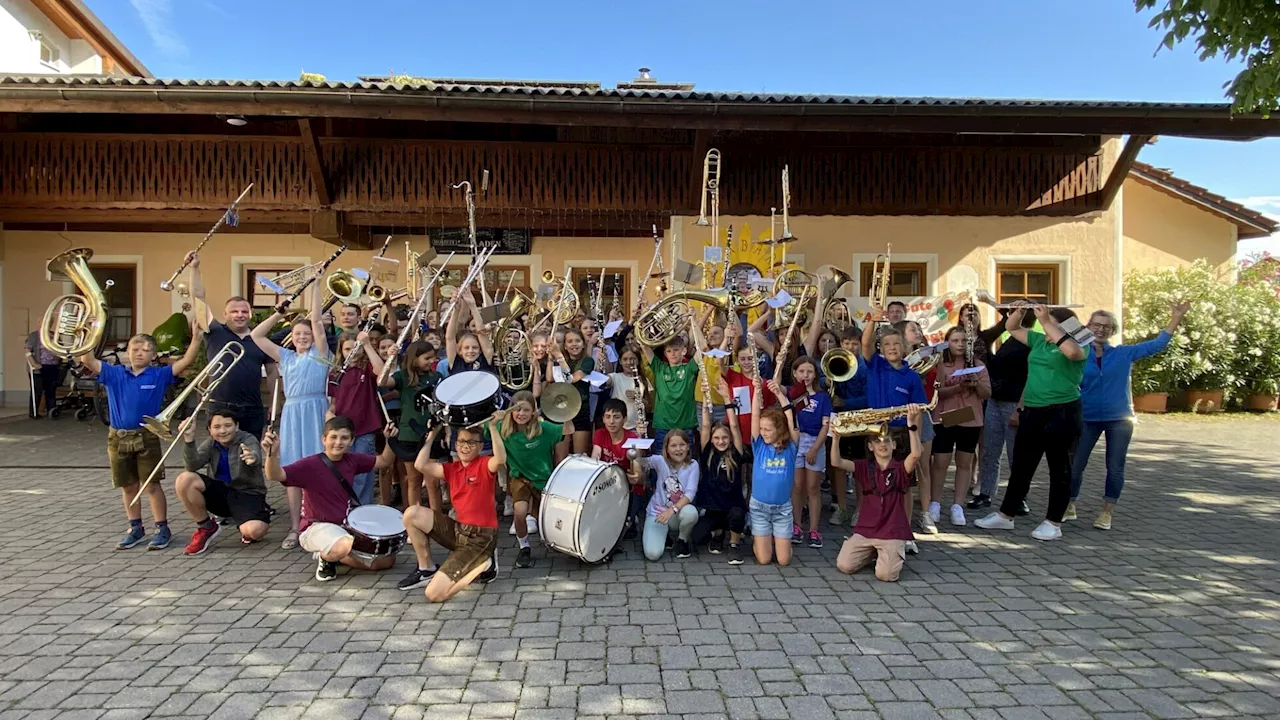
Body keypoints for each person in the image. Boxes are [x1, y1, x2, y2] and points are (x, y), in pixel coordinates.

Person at [78, 327, 202, 550]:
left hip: (147, 436)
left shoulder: (159, 374)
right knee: (128, 486)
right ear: (128, 352)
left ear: (154, 356)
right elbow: (87, 359)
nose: (139, 352)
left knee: (151, 485)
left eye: (146, 350)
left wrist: (196, 337)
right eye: (135, 348)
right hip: (118, 437)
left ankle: (161, 528)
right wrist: (90, 330)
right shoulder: (114, 373)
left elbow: (187, 361)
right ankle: (135, 528)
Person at [1068, 303, 1188, 530]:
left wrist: (1176, 317)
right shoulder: (1078, 354)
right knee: (1076, 465)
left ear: (1112, 331)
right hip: (1087, 417)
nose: (1101, 329)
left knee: (1115, 467)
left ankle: (1107, 512)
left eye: (1107, 326)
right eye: (1096, 325)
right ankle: (1069, 504)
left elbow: (1158, 344)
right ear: (1088, 327)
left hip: (1119, 418)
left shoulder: (1123, 353)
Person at [975, 303, 1086, 541]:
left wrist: (1047, 321)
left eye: (1051, 323)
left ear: (1064, 326)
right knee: (1022, 465)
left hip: (1063, 412)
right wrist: (1018, 312)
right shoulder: (1039, 341)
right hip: (1033, 410)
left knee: (1060, 468)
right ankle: (1006, 515)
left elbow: (1073, 354)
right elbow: (1012, 328)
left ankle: (1053, 522)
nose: (1045, 326)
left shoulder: (1077, 344)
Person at [261, 416, 400, 581]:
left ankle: (334, 555)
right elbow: (274, 475)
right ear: (324, 439)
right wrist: (272, 454)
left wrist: (390, 440)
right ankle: (327, 557)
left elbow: (384, 461)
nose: (338, 442)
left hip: (344, 528)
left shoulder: (352, 460)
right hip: (315, 528)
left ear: (351, 441)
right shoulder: (309, 464)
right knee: (344, 544)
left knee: (386, 561)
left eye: (344, 438)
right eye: (333, 437)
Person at [250, 275, 330, 551]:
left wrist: (317, 286)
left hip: (316, 410)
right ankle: (296, 527)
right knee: (292, 472)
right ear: (291, 338)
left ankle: (318, 522)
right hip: (293, 413)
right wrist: (277, 313)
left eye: (306, 334)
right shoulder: (285, 357)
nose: (303, 337)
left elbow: (317, 322)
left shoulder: (320, 355)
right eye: (298, 334)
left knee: (318, 468)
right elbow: (256, 336)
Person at [398, 420, 504, 600]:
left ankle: (485, 564)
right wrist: (432, 435)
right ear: (455, 444)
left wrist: (493, 427)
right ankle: (426, 569)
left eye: (471, 442)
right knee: (411, 513)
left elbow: (500, 459)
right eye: (461, 441)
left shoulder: (484, 464)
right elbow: (420, 465)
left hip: (480, 537)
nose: (465, 446)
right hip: (459, 530)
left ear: (479, 447)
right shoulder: (452, 469)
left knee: (433, 594)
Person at [189, 252, 277, 438]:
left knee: (250, 457)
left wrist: (273, 404)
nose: (240, 315)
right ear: (225, 314)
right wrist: (194, 268)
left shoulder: (260, 339)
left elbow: (272, 373)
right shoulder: (215, 332)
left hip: (252, 409)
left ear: (250, 314)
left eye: (244, 311)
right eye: (234, 311)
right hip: (220, 406)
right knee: (218, 457)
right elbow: (198, 300)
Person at [830, 408, 924, 582]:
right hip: (867, 529)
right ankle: (875, 553)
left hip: (892, 531)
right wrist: (836, 437)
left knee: (886, 575)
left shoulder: (900, 468)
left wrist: (911, 426)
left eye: (887, 441)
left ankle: (892, 551)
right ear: (870, 446)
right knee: (844, 565)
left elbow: (916, 454)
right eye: (877, 441)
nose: (882, 444)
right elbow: (836, 462)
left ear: (894, 445)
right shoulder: (865, 466)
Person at [860, 308, 928, 530]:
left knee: (904, 485)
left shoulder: (912, 377)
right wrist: (873, 320)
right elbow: (866, 344)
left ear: (905, 347)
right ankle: (876, 525)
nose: (891, 348)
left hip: (900, 434)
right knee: (873, 482)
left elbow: (918, 409)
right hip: (875, 430)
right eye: (887, 344)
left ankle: (904, 528)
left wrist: (914, 431)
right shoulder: (876, 365)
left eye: (896, 344)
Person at [175, 410, 271, 554]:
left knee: (254, 531)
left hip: (246, 494)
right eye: (217, 427)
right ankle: (206, 527)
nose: (223, 431)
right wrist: (188, 439)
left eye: (228, 425)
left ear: (236, 426)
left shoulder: (248, 438)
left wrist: (252, 458)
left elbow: (254, 453)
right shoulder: (211, 443)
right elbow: (192, 466)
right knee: (185, 479)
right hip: (221, 493)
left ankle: (247, 520)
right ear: (210, 429)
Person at [498, 391, 570, 568]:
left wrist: (568, 411)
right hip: (520, 479)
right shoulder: (504, 429)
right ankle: (524, 548)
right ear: (511, 411)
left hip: (543, 479)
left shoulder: (544, 429)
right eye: (517, 409)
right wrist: (492, 421)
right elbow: (477, 428)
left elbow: (569, 429)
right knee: (519, 512)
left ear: (533, 412)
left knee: (549, 519)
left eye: (526, 410)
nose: (521, 414)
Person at [969, 306, 1031, 512]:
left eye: (1013, 314)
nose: (1008, 317)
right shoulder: (1009, 339)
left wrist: (1019, 410)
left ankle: (1019, 498)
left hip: (1013, 403)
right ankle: (985, 493)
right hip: (995, 401)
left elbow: (1029, 379)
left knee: (1016, 454)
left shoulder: (1029, 342)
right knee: (990, 451)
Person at [928, 327, 991, 528]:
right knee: (940, 462)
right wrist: (958, 387)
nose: (960, 344)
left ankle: (957, 505)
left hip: (970, 419)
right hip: (945, 418)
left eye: (964, 340)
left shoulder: (978, 365)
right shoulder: (941, 365)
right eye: (955, 340)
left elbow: (987, 394)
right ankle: (935, 502)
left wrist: (975, 385)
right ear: (948, 342)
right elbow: (935, 393)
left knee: (964, 462)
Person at [381, 340, 442, 511]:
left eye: (433, 357)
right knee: (413, 480)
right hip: (409, 433)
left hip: (432, 433)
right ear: (414, 359)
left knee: (432, 482)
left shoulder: (436, 378)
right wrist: (390, 359)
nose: (431, 361)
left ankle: (437, 523)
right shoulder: (403, 377)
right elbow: (382, 382)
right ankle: (414, 519)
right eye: (427, 358)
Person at [328, 330, 387, 505]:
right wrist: (329, 413)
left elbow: (382, 372)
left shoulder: (366, 368)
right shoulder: (335, 373)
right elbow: (333, 400)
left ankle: (362, 510)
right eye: (347, 349)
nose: (352, 353)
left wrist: (367, 345)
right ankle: (345, 508)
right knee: (342, 472)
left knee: (363, 474)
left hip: (364, 429)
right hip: (342, 431)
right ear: (341, 350)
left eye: (356, 348)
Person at [750, 375, 799, 566]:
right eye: (762, 429)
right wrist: (757, 391)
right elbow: (755, 415)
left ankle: (778, 542)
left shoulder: (791, 447)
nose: (763, 432)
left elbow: (791, 418)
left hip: (782, 511)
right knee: (763, 560)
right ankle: (761, 541)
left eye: (768, 429)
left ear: (779, 429)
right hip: (759, 508)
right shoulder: (759, 445)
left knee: (784, 561)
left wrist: (779, 394)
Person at [698, 377, 747, 565]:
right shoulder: (707, 452)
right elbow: (704, 426)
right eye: (717, 438)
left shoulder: (736, 452)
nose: (721, 441)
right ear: (711, 439)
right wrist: (705, 398)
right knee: (698, 538)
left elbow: (734, 426)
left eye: (724, 438)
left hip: (733, 505)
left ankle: (734, 544)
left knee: (736, 516)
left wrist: (727, 398)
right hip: (713, 506)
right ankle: (718, 534)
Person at [633, 428, 700, 561]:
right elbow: (639, 460)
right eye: (673, 446)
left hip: (676, 512)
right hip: (657, 512)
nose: (678, 449)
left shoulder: (693, 465)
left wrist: (672, 510)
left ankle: (682, 540)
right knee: (653, 554)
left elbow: (690, 493)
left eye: (682, 445)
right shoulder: (660, 461)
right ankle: (664, 536)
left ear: (688, 447)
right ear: (667, 449)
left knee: (691, 513)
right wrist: (640, 438)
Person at [787, 355, 833, 548]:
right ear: (795, 373)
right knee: (797, 486)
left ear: (815, 374)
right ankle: (796, 525)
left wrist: (815, 449)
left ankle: (813, 529)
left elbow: (826, 426)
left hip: (815, 441)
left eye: (809, 371)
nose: (805, 375)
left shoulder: (822, 397)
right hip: (796, 440)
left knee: (813, 487)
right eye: (801, 371)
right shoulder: (791, 393)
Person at [829, 326, 868, 528]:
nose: (850, 347)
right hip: (840, 421)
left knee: (860, 467)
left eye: (854, 343)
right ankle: (842, 508)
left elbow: (869, 398)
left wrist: (844, 403)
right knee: (838, 465)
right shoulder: (837, 359)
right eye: (846, 343)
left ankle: (860, 510)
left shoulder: (864, 367)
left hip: (860, 420)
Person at [592, 398, 641, 538]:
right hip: (606, 484)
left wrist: (636, 476)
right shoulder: (600, 434)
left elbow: (637, 469)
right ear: (603, 419)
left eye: (616, 417)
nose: (611, 422)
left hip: (628, 487)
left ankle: (632, 517)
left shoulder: (632, 439)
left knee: (622, 529)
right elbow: (596, 454)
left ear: (624, 419)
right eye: (607, 417)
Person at [640, 333, 698, 450]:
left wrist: (694, 323)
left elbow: (703, 349)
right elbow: (644, 346)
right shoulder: (659, 367)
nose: (673, 353)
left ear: (684, 351)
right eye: (669, 351)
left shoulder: (690, 368)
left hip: (685, 426)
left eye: (676, 350)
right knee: (661, 463)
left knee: (686, 464)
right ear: (665, 353)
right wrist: (639, 323)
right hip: (663, 426)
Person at [551, 328, 595, 455]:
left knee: (579, 457)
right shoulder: (561, 360)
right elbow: (549, 378)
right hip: (562, 411)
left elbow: (571, 379)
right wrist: (551, 356)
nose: (574, 344)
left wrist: (559, 357)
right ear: (565, 345)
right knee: (560, 457)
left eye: (577, 341)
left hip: (580, 410)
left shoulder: (587, 361)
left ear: (583, 344)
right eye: (570, 341)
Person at [24, 331, 61, 418]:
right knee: (37, 390)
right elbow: (27, 350)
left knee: (51, 390)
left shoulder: (53, 335)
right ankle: (33, 412)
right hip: (39, 367)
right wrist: (34, 364)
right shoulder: (34, 336)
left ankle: (51, 411)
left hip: (52, 366)